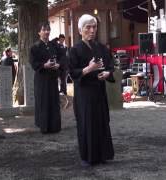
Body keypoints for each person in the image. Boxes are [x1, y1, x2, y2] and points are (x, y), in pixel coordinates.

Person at [69, 14, 115, 166]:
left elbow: (110, 66)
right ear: (80, 30)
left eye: (94, 27)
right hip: (85, 93)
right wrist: (89, 68)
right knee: (87, 123)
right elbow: (72, 73)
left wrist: (107, 73)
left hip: (99, 91)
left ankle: (102, 155)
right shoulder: (74, 50)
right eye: (88, 27)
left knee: (102, 121)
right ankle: (88, 157)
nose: (92, 30)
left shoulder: (101, 47)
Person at [29, 22, 64, 133]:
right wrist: (44, 65)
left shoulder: (55, 45)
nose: (46, 32)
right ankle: (44, 126)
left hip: (53, 78)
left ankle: (55, 126)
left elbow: (63, 57)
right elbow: (33, 63)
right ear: (39, 32)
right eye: (44, 30)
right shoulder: (35, 47)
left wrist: (58, 65)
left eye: (48, 29)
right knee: (43, 101)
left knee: (54, 101)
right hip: (42, 78)